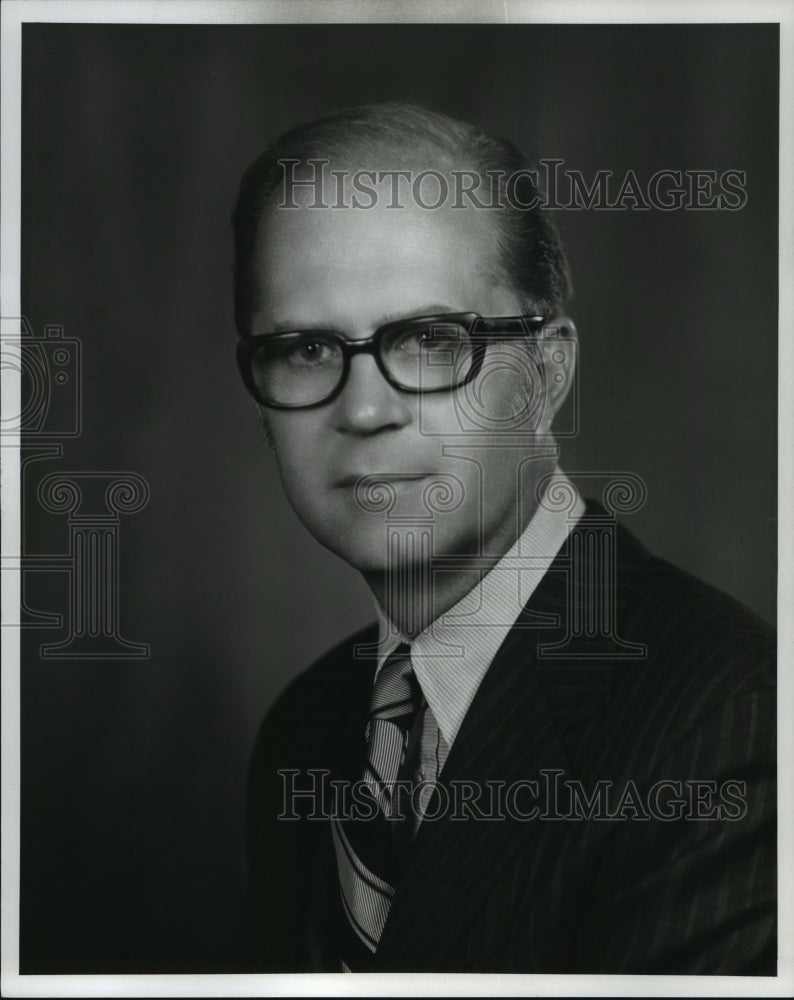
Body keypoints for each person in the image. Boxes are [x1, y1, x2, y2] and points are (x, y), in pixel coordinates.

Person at [233, 103, 776, 974]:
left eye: (432, 340)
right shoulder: (307, 727)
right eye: (305, 349)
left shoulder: (730, 725)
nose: (365, 409)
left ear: (549, 373)